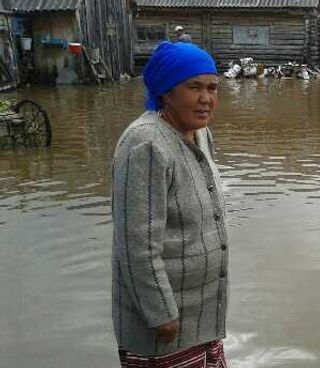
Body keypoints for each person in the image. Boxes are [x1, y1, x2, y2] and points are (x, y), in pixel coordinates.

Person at [111, 41, 228, 368]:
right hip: (165, 326)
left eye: (212, 88)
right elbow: (136, 244)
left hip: (201, 314)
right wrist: (160, 313)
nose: (206, 98)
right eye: (194, 87)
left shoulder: (201, 134)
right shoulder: (146, 144)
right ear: (166, 93)